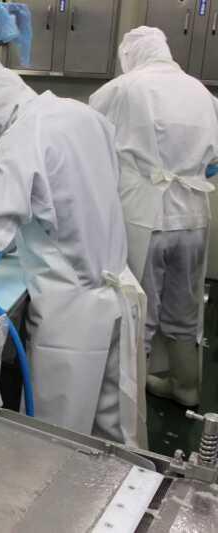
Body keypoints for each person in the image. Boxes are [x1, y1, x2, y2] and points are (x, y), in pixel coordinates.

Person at [0, 52, 147, 447]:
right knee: (109, 434)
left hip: (71, 313)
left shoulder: (21, 138)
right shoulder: (81, 114)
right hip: (115, 290)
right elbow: (70, 200)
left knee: (55, 440)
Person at [90, 27, 218, 407]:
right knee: (185, 306)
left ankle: (132, 409)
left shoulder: (122, 89)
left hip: (144, 216)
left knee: (138, 311)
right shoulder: (201, 92)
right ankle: (186, 388)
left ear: (130, 54)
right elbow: (213, 163)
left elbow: (91, 143)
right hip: (194, 217)